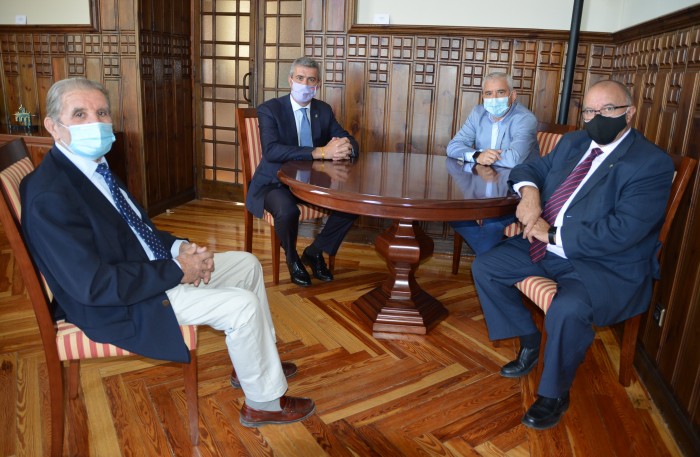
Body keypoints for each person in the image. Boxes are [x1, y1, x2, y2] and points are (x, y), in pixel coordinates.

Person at [20, 77, 315, 428]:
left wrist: (179, 247)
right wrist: (178, 270)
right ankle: (264, 403)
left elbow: (134, 229)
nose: (95, 123)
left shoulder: (92, 169)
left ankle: (254, 364)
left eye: (101, 113)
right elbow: (93, 285)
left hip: (148, 271)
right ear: (53, 126)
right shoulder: (50, 194)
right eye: (80, 114)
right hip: (122, 303)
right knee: (242, 305)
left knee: (248, 265)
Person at [471, 80, 674, 430]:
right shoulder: (576, 142)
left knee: (567, 310)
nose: (597, 118)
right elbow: (528, 169)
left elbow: (623, 231)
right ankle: (530, 339)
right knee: (486, 266)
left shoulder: (650, 163)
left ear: (630, 112)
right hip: (545, 247)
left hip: (599, 264)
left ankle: (553, 394)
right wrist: (530, 194)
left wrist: (550, 233)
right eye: (590, 111)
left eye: (607, 110)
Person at [247, 56, 359, 287]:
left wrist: (346, 147)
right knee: (287, 211)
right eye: (300, 78)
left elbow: (348, 138)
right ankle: (292, 258)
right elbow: (272, 151)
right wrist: (319, 151)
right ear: (290, 80)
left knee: (352, 206)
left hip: (313, 183)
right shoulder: (270, 109)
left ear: (318, 85)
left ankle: (315, 251)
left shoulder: (323, 110)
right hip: (274, 182)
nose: (305, 84)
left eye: (311, 80)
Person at [446, 72, 539, 254]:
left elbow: (514, 159)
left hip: (515, 193)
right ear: (483, 96)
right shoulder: (478, 113)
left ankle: (489, 261)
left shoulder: (525, 119)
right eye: (488, 94)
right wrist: (477, 155)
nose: (493, 98)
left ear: (513, 95)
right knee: (451, 212)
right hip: (482, 189)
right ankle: (494, 259)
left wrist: (488, 157)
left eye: (500, 92)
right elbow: (453, 146)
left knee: (491, 224)